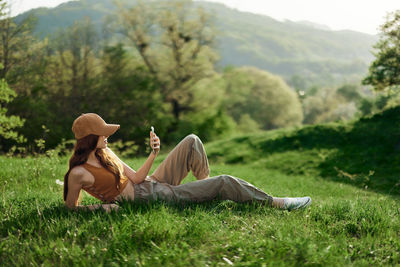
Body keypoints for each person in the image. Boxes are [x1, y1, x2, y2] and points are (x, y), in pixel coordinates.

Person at [64, 113, 311, 213]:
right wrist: (105, 208)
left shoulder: (106, 153)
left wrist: (153, 153)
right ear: (89, 138)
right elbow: (70, 209)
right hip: (151, 198)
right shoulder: (79, 173)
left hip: (149, 184)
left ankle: (205, 191)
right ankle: (276, 203)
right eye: (103, 133)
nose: (107, 136)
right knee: (226, 181)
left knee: (192, 140)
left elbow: (137, 178)